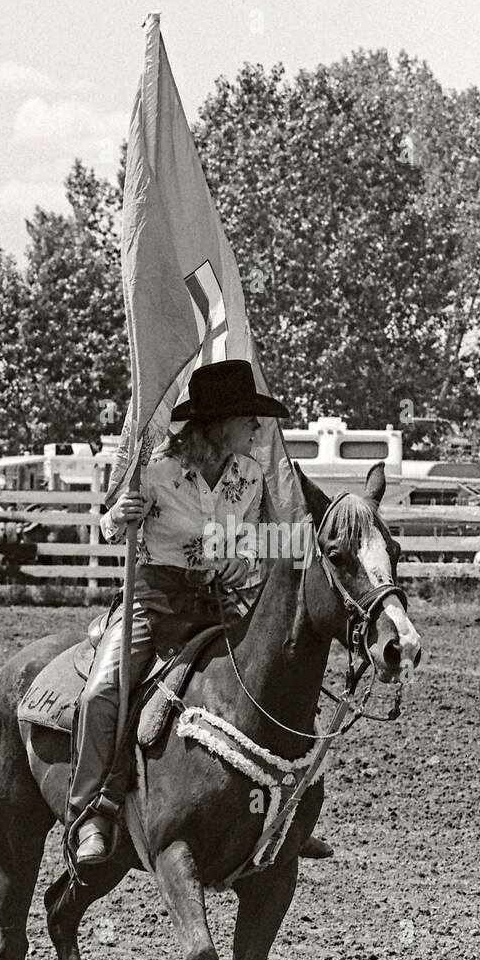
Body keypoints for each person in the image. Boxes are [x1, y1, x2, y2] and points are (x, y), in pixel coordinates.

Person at [68, 360, 333, 866]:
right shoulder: (156, 472)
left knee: (278, 677)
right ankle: (92, 815)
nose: (258, 429)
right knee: (102, 692)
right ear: (219, 423)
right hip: (154, 605)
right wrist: (117, 517)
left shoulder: (251, 475)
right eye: (249, 419)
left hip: (223, 605)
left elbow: (261, 537)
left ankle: (285, 813)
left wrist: (244, 557)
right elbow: (108, 528)